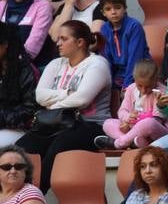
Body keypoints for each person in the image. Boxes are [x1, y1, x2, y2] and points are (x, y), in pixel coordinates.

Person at [18, 21, 111, 194]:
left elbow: (82, 99)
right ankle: (8, 199)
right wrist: (67, 94)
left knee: (58, 146)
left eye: (63, 38)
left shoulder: (97, 64)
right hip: (55, 123)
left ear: (80, 42)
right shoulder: (56, 64)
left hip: (90, 125)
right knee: (19, 150)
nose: (58, 43)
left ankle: (33, 197)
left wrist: (53, 104)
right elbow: (40, 96)